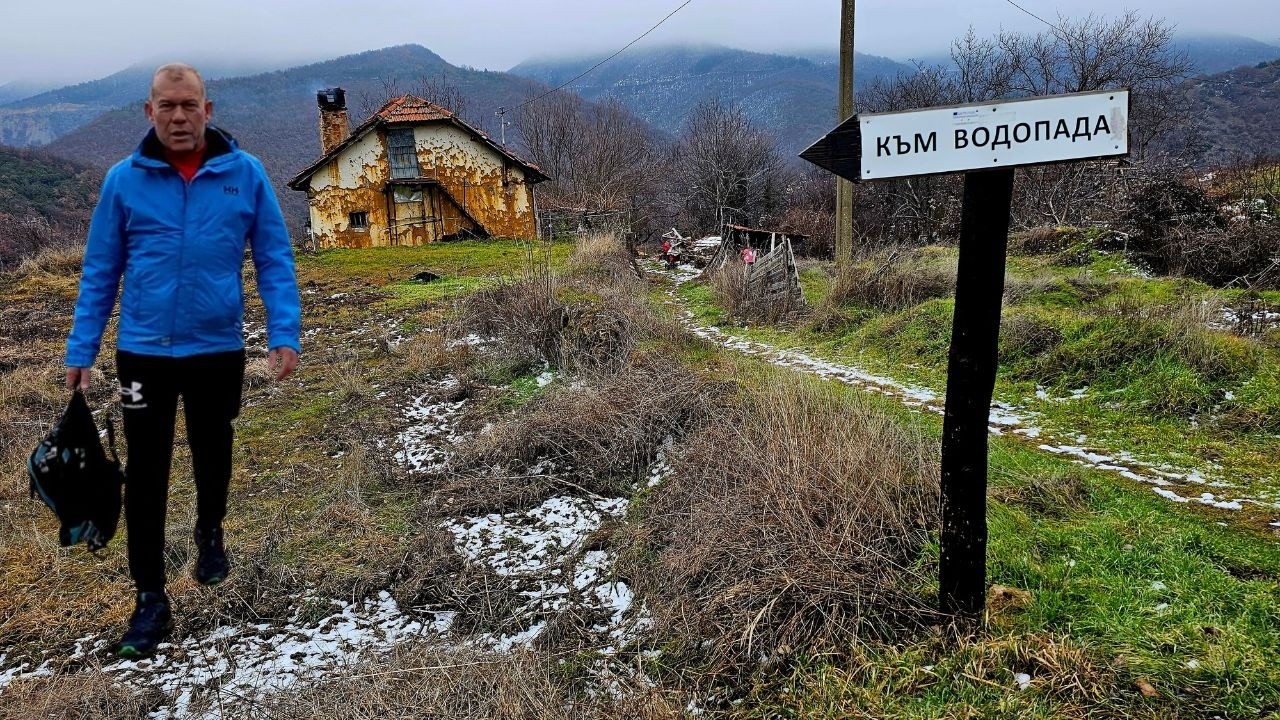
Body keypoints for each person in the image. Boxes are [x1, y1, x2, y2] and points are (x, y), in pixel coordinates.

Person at [64, 63, 301, 659]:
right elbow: (100, 270)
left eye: (188, 105)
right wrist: (81, 348)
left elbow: (273, 257)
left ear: (207, 109)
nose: (177, 116)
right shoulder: (124, 181)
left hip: (217, 348)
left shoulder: (244, 175)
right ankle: (150, 600)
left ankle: (210, 531)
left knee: (213, 450)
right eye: (166, 106)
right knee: (145, 476)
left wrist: (285, 332)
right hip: (144, 352)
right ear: (149, 112)